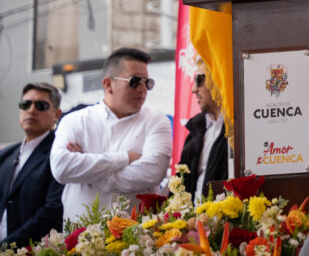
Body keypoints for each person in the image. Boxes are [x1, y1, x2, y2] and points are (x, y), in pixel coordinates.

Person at [50, 47, 172, 222]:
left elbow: (152, 172)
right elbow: (61, 168)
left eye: (148, 82)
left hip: (137, 241)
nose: (143, 88)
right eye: (135, 81)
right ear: (108, 84)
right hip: (79, 240)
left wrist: (88, 171)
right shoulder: (75, 121)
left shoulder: (156, 122)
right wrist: (124, 158)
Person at [0, 83, 64, 247]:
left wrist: (7, 246)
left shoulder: (59, 154)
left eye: (41, 105)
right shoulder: (5, 155)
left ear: (56, 114)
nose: (31, 110)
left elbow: (51, 212)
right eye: (25, 104)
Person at [178, 65, 228, 201]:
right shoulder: (196, 128)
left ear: (219, 80)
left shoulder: (238, 130)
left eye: (199, 80)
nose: (193, 89)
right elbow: (181, 185)